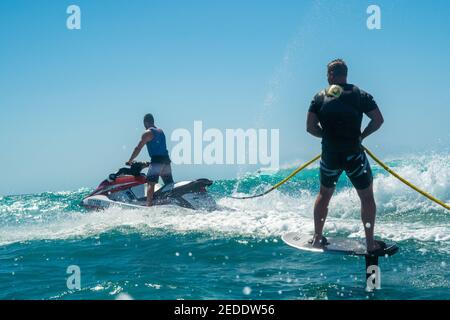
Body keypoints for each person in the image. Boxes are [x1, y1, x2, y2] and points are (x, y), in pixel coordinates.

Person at [306, 59, 385, 255]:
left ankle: (317, 237)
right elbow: (378, 120)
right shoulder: (360, 94)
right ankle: (369, 243)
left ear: (330, 75)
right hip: (354, 155)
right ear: (345, 74)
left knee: (324, 195)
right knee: (366, 197)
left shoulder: (319, 97)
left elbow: (309, 127)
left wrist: (326, 136)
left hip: (330, 156)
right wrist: (361, 136)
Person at [126, 113, 174, 206]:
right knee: (169, 184)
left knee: (150, 183)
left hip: (157, 161)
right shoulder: (161, 131)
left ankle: (149, 207)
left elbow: (138, 148)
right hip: (166, 160)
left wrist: (130, 160)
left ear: (145, 122)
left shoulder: (147, 133)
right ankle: (172, 201)